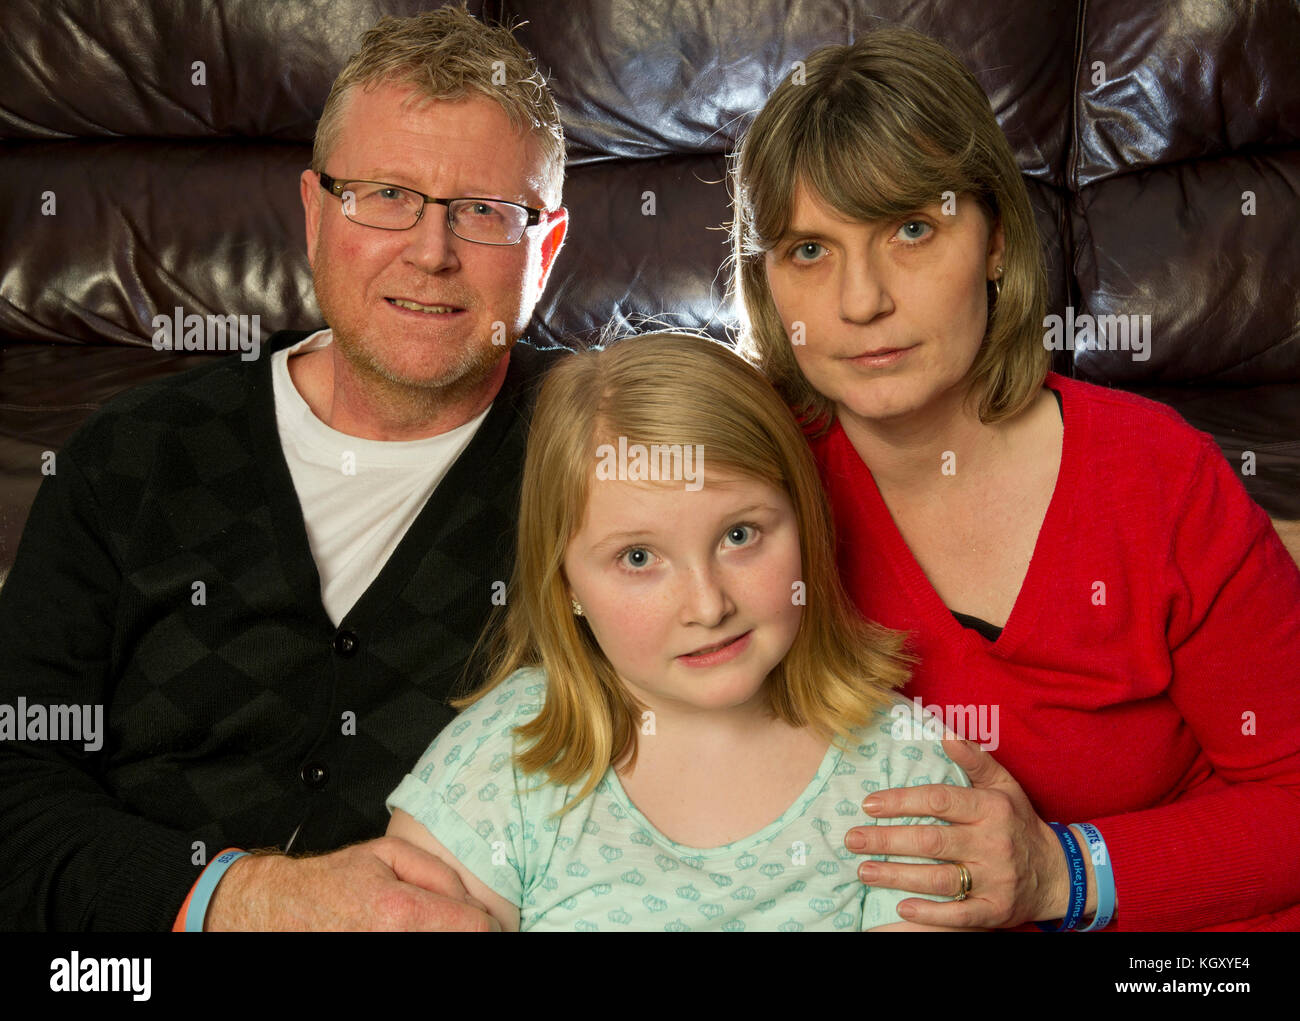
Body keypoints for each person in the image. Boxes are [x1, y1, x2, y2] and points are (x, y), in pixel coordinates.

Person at [0, 7, 568, 931]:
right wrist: (247, 901)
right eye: (385, 194)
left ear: (545, 250)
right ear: (314, 214)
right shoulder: (132, 454)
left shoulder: (610, 454)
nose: (431, 252)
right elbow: (13, 779)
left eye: (484, 213)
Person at [730, 28, 1300, 931]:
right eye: (810, 250)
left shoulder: (1159, 476)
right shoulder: (740, 488)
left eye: (912, 228)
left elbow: (1291, 796)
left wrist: (1062, 873)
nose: (861, 301)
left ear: (996, 240)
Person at [385, 332, 973, 931]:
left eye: (739, 536)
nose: (707, 605)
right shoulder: (499, 766)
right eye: (639, 558)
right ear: (564, 583)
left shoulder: (901, 772)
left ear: (806, 525)